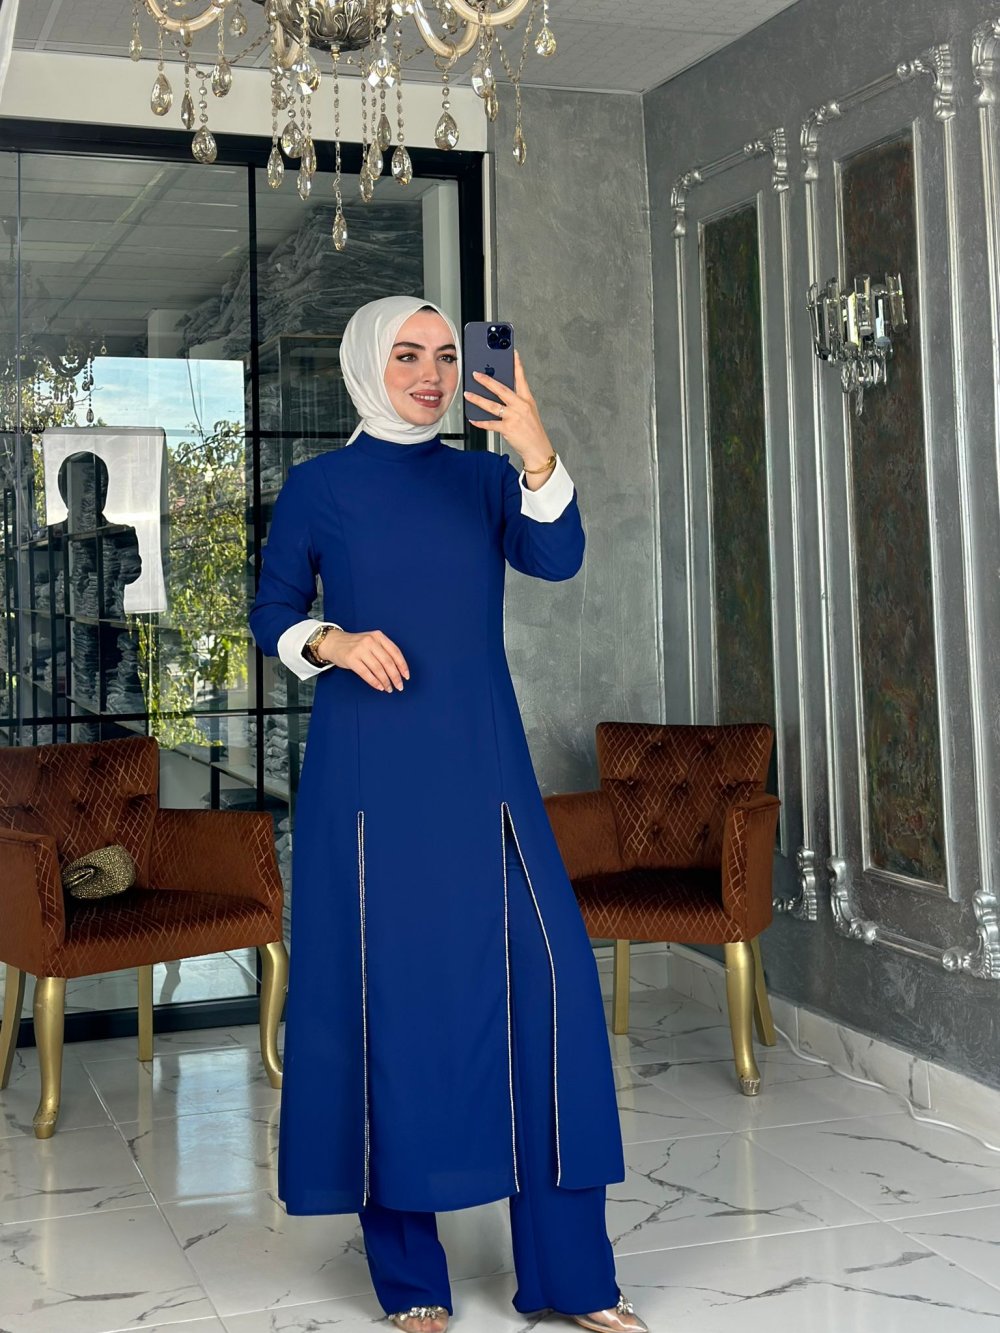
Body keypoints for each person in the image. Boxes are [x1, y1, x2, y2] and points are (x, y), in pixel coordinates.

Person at [248, 296, 648, 1333]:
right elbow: (271, 610)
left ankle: (572, 1277)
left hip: (486, 773)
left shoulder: (484, 478)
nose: (429, 374)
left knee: (549, 997)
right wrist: (331, 642)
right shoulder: (319, 487)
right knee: (389, 1005)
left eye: (441, 355)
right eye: (406, 355)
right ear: (365, 366)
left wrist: (536, 450)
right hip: (369, 785)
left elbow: (558, 558)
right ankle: (410, 1275)